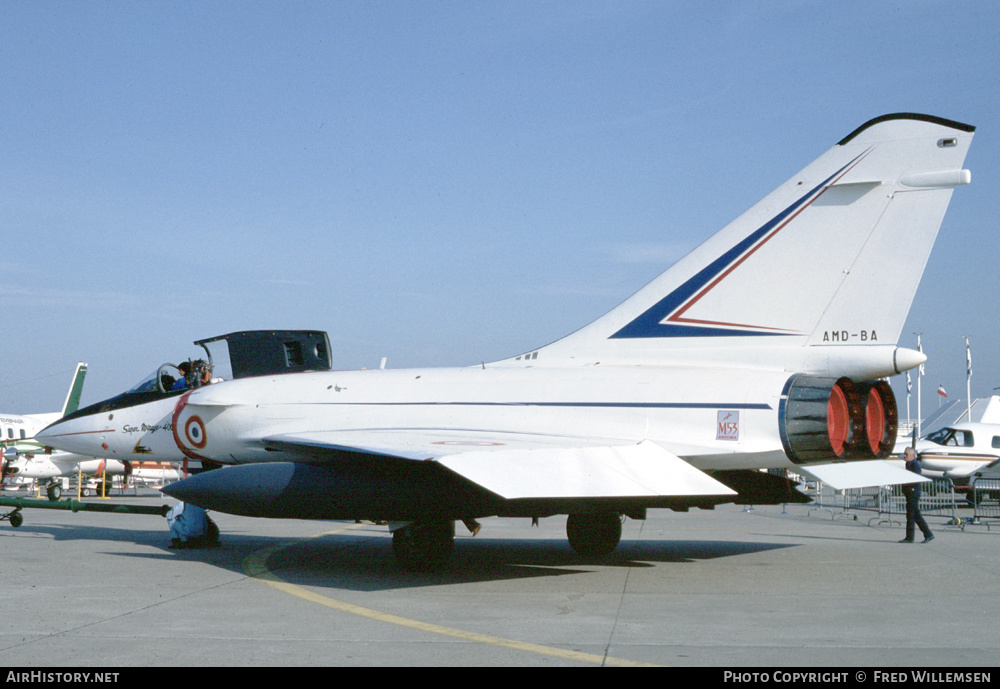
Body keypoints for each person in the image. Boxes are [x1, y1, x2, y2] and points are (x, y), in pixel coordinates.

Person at [899, 447, 934, 543]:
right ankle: (927, 534)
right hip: (909, 492)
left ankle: (911, 537)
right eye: (904, 454)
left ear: (912, 455)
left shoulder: (915, 465)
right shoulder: (908, 464)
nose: (904, 456)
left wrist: (908, 485)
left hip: (913, 492)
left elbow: (915, 478)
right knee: (915, 515)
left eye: (906, 454)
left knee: (911, 515)